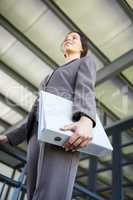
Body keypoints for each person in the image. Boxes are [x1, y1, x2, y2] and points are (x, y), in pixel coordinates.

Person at [0, 31, 97, 200]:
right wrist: (8, 137)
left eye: (74, 38)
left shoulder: (84, 62)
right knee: (33, 192)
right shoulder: (48, 77)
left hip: (63, 132)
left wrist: (87, 119)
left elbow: (86, 88)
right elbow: (36, 112)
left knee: (52, 190)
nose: (69, 38)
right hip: (36, 136)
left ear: (83, 48)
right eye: (67, 37)